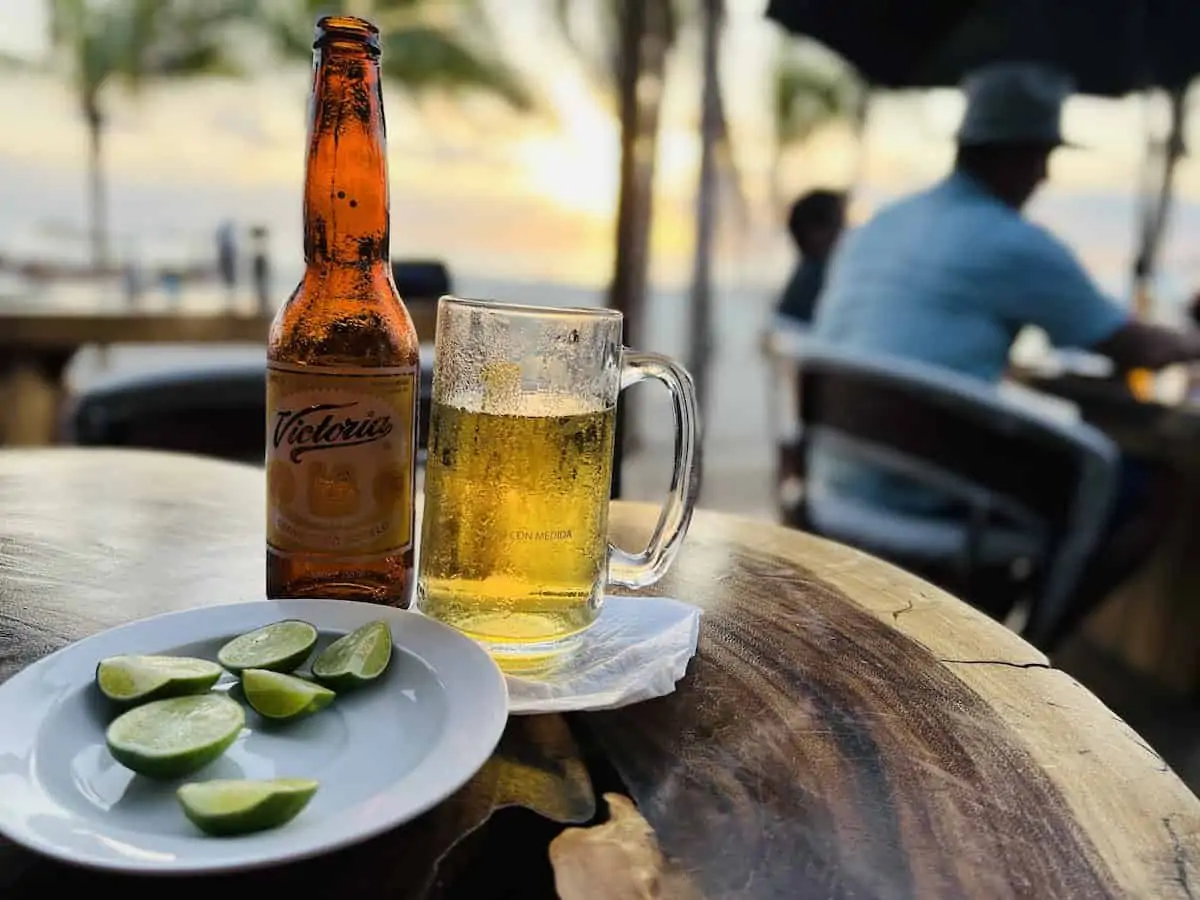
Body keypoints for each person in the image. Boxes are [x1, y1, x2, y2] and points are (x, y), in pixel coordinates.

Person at [809, 61, 1200, 645]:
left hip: (838, 480)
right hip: (930, 495)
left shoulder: (882, 225)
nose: (1043, 175)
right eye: (1043, 157)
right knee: (1155, 491)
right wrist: (1192, 340)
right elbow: (1133, 345)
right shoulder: (1013, 242)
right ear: (1018, 156)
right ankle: (1038, 647)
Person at [776, 189, 846, 325]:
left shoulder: (809, 276)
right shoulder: (816, 282)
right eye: (840, 224)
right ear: (816, 234)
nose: (846, 233)